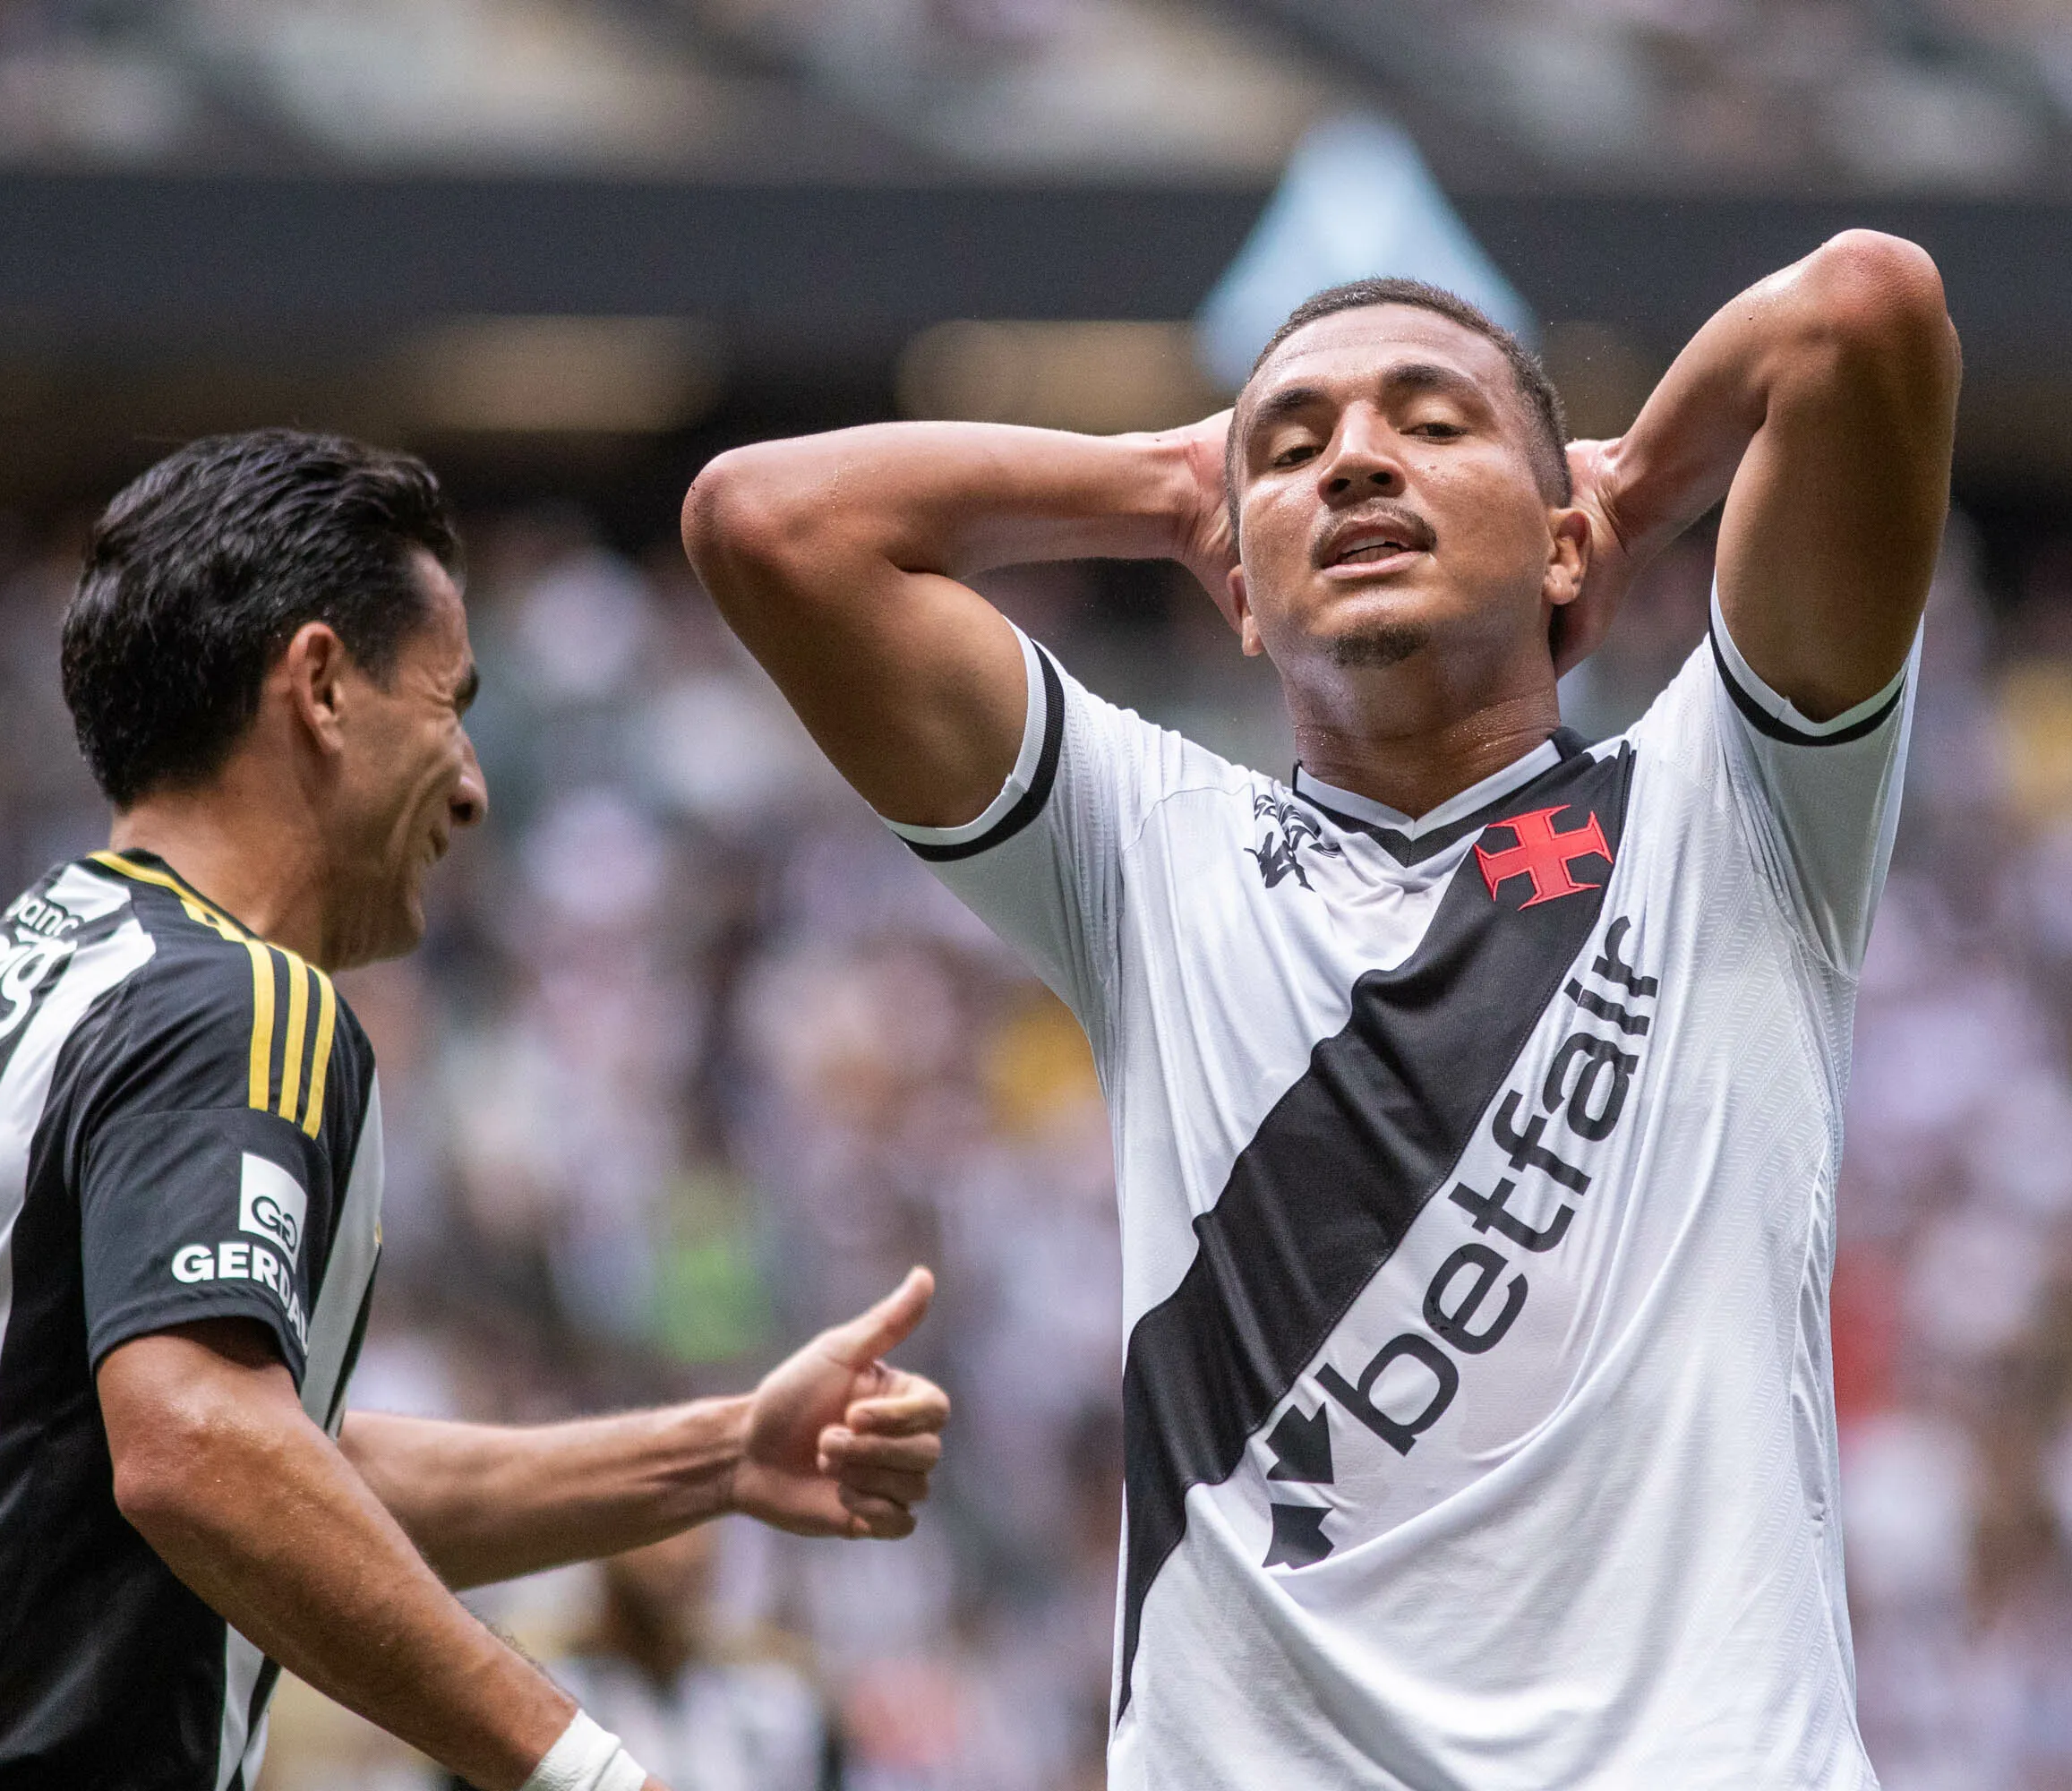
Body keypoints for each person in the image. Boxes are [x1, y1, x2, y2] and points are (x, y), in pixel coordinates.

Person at [683, 233, 1958, 1785]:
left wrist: (1631, 494)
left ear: (1561, 544)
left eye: (1432, 422)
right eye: (1290, 451)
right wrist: (1168, 483)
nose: (1354, 459)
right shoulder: (1149, 859)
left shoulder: (1732, 810)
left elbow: (1860, 314)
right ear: (1239, 586)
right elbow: (768, 522)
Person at [0, 431, 952, 1791]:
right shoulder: (236, 996)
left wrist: (720, 1453)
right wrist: (586, 1770)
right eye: (449, 704)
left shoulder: (24, 971)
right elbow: (202, 1456)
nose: (472, 784)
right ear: (324, 686)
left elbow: (289, 1478)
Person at [480, 1527, 835, 1791]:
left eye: (696, 1528)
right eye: (661, 1533)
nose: (680, 1555)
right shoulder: (543, 1691)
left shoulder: (775, 1701)